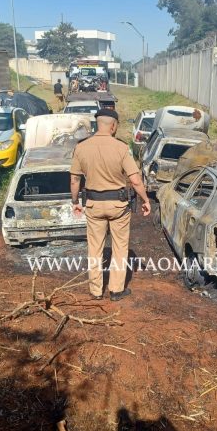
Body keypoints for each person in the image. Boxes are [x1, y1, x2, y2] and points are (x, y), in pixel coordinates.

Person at [70, 108, 151, 301]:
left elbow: (75, 180)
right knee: (120, 247)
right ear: (113, 125)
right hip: (118, 206)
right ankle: (116, 290)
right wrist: (146, 200)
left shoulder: (81, 147)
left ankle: (96, 291)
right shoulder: (121, 148)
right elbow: (136, 180)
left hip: (93, 205)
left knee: (95, 248)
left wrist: (74, 202)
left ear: (98, 124)